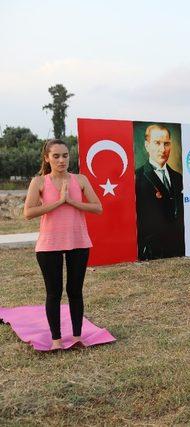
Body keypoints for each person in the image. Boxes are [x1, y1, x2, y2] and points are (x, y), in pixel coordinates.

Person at [23, 139, 103, 350]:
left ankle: (77, 337)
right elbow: (28, 212)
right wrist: (58, 202)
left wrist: (71, 201)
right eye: (56, 156)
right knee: (54, 293)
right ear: (47, 158)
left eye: (65, 155)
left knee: (75, 291)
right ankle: (56, 341)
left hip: (78, 241)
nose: (61, 160)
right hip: (49, 245)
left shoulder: (80, 179)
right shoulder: (39, 182)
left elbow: (97, 207)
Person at [135, 124, 185, 260]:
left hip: (178, 250)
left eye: (166, 144)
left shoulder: (178, 177)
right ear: (147, 145)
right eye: (157, 143)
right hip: (151, 253)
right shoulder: (136, 178)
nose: (162, 149)